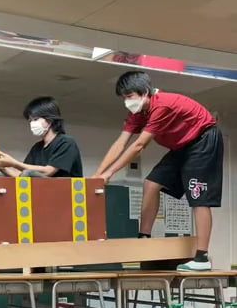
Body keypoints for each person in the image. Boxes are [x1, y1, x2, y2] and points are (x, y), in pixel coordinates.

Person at [92, 71, 223, 271]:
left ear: (145, 92)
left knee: (198, 197)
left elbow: (139, 145)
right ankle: (143, 238)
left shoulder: (162, 105)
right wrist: (97, 175)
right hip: (181, 147)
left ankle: (202, 258)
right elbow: (120, 143)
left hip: (203, 139)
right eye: (124, 98)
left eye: (129, 97)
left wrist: (110, 174)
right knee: (151, 183)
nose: (127, 102)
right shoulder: (136, 115)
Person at [0, 96, 83, 178]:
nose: (32, 124)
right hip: (43, 194)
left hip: (65, 193)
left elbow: (48, 171)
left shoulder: (66, 142)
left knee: (29, 173)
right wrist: (2, 168)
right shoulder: (37, 148)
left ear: (49, 120)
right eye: (30, 120)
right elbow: (21, 176)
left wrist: (14, 163)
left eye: (35, 119)